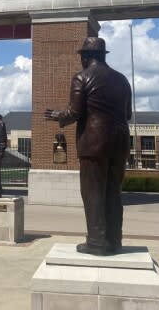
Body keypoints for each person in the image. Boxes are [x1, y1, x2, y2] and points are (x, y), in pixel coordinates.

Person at [44, 37, 132, 256]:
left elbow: (74, 112)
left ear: (86, 56)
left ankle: (96, 242)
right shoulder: (122, 80)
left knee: (93, 194)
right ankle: (114, 240)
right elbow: (128, 114)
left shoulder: (81, 78)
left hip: (94, 144)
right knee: (113, 192)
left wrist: (58, 115)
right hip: (120, 142)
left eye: (81, 56)